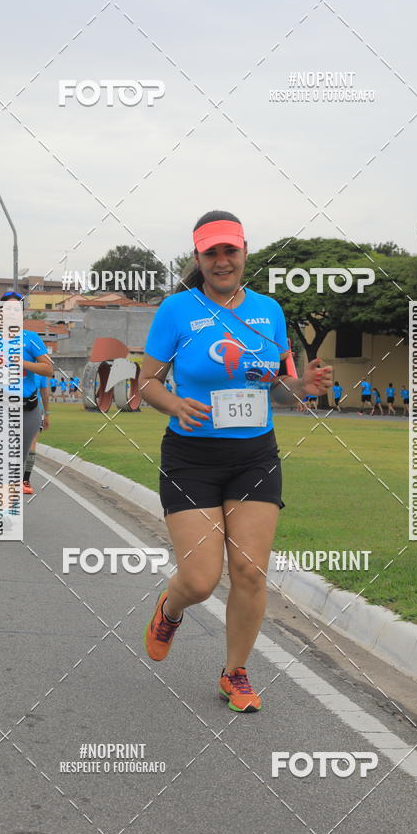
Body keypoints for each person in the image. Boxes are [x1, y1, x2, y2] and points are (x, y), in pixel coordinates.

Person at [139, 210, 332, 713]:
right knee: (201, 580)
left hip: (254, 455)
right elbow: (147, 382)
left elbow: (278, 386)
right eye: (211, 252)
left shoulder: (269, 310)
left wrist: (303, 386)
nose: (222, 260)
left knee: (248, 571)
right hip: (191, 456)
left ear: (245, 252)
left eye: (231, 250)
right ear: (198, 257)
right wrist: (175, 403)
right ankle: (170, 608)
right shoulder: (177, 310)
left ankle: (235, 672)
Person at [0, 291, 54, 494]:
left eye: (16, 310)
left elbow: (48, 369)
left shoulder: (31, 339)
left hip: (26, 407)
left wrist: (23, 363)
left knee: (19, 457)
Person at [23, 373, 50, 495]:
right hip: (12, 410)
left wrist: (47, 414)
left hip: (34, 410)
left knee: (32, 444)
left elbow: (44, 392)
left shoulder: (41, 369)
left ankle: (25, 479)